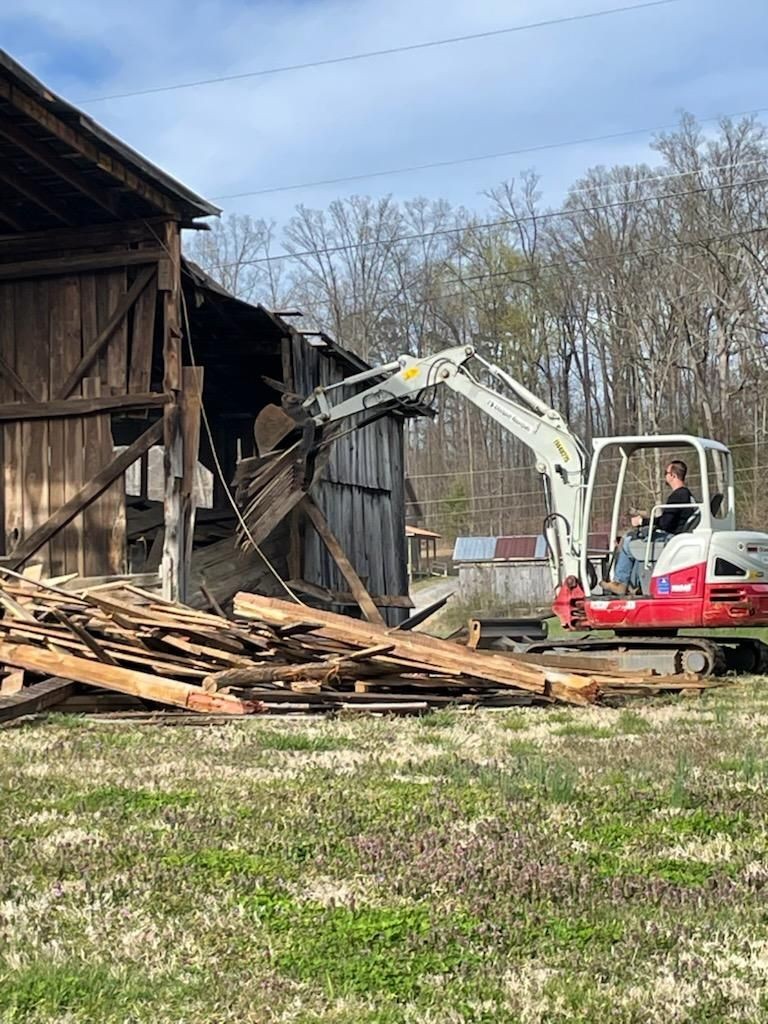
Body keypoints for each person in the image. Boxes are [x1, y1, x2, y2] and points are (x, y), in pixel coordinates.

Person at [602, 460, 695, 596]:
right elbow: (667, 520)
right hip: (676, 537)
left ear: (673, 475)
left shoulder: (678, 496)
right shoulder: (687, 495)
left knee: (628, 541)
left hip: (671, 539)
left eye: (666, 473)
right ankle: (634, 586)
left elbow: (664, 524)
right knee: (637, 542)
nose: (665, 476)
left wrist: (642, 521)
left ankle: (621, 582)